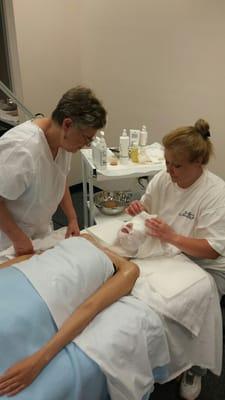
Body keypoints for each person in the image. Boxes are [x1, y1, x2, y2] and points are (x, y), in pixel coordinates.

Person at [126, 118, 225, 400]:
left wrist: (170, 236)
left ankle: (196, 367)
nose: (169, 170)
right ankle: (163, 356)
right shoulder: (164, 177)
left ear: (199, 164)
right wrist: (138, 208)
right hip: (171, 251)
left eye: (176, 165)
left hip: (206, 265)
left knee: (192, 308)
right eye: (167, 162)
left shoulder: (216, 193)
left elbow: (213, 249)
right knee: (146, 300)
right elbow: (149, 205)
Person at [0, 233, 139, 397]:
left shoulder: (127, 269)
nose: (128, 227)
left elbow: (90, 307)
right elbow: (32, 258)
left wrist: (39, 359)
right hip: (16, 279)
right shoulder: (85, 237)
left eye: (138, 229)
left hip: (38, 299)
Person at [0, 87, 106, 255]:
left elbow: (59, 177)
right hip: (8, 239)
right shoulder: (22, 148)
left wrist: (72, 219)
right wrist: (18, 238)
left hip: (40, 232)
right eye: (86, 138)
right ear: (68, 124)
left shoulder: (63, 143)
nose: (85, 145)